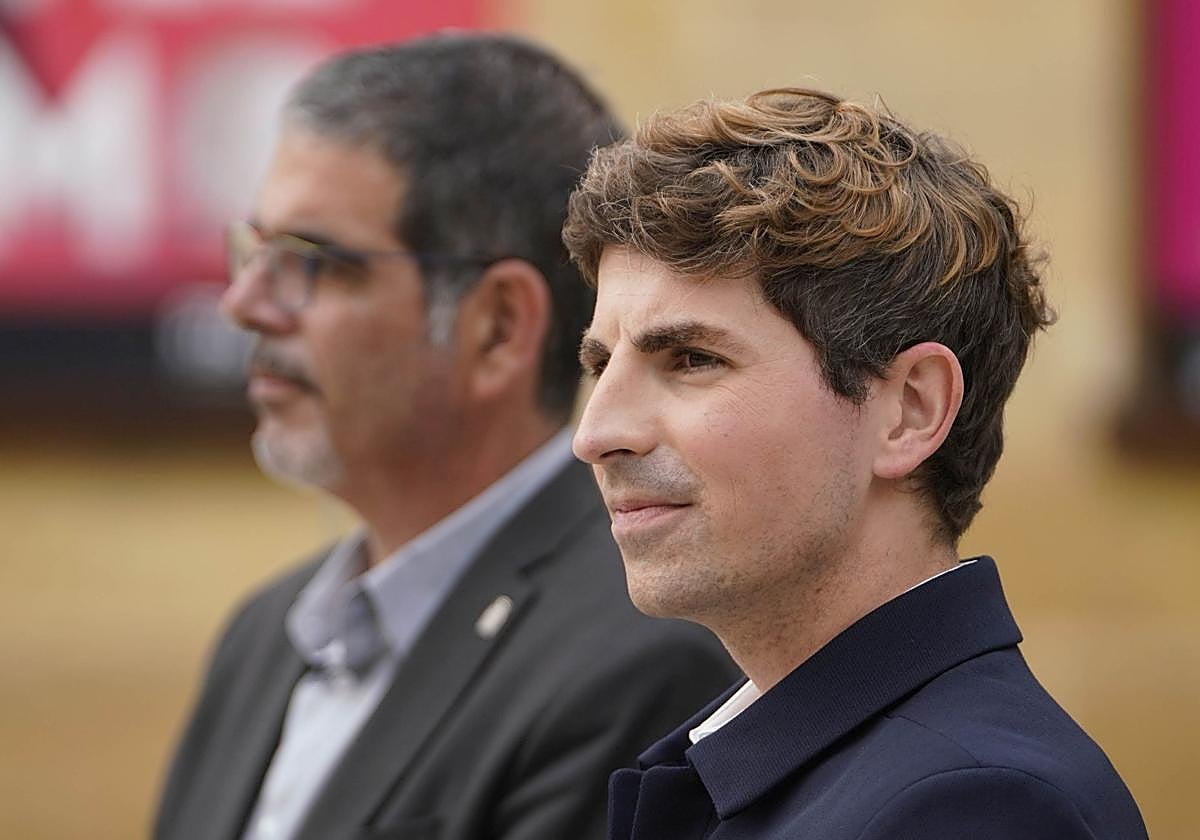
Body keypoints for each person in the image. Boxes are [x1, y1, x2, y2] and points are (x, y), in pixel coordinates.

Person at [154, 33, 736, 840]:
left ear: (497, 327)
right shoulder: (264, 633)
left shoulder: (638, 662)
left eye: (311, 261)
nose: (244, 304)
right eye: (254, 251)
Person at [563, 87, 1148, 839]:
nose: (597, 432)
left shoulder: (978, 808)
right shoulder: (767, 770)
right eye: (600, 364)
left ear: (909, 410)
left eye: (691, 359)